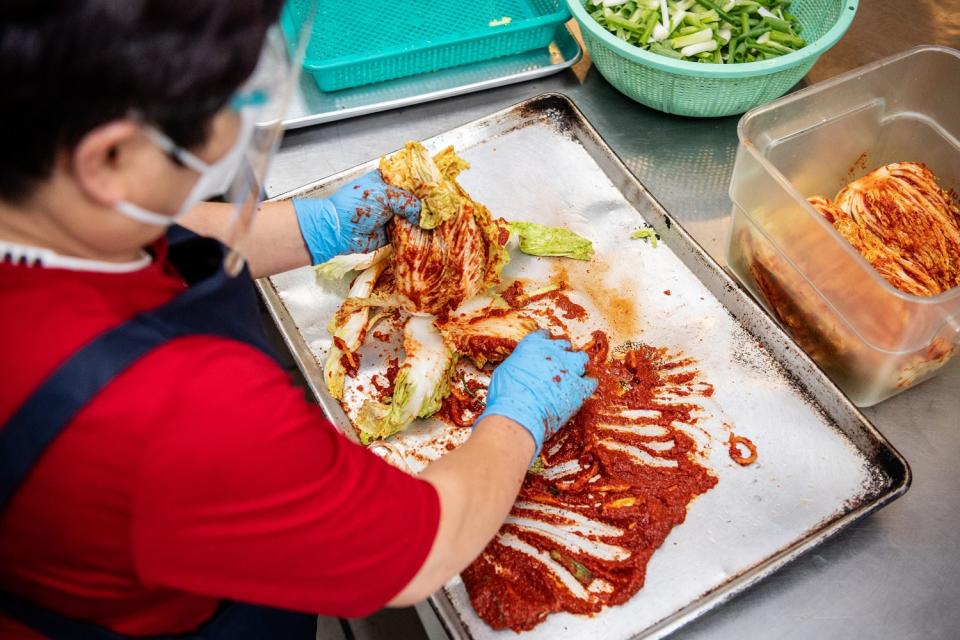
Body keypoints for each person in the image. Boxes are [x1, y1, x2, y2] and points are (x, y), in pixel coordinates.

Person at [0, 2, 597, 638]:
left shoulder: (36, 200)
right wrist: (518, 415)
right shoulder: (172, 411)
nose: (236, 126)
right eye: (222, 109)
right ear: (108, 159)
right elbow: (420, 551)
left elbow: (150, 228)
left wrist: (310, 227)